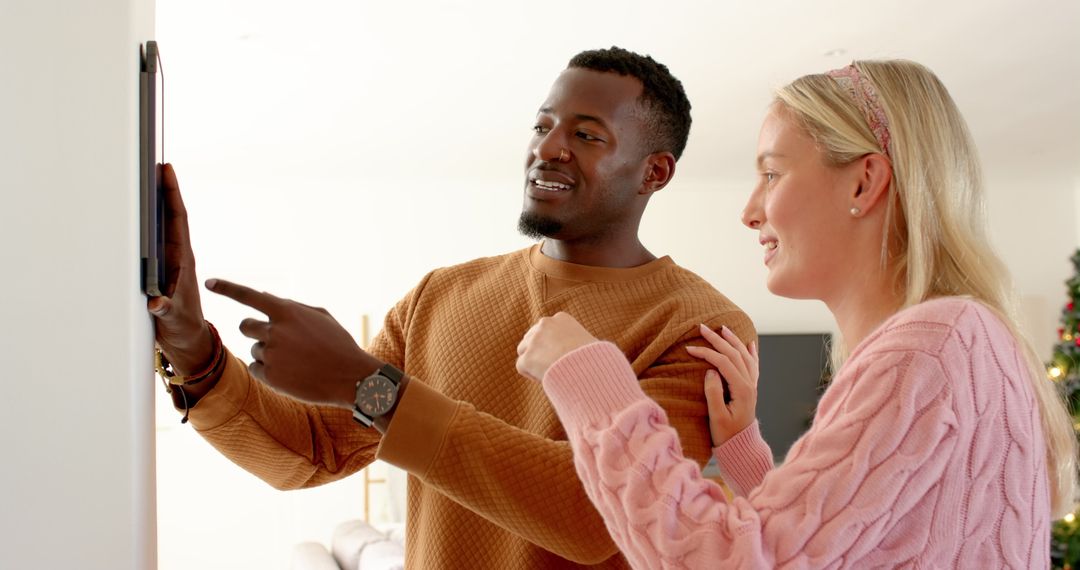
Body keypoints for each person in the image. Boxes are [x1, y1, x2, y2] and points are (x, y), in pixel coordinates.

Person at [148, 47, 756, 568]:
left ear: (655, 172)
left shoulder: (701, 326)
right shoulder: (437, 296)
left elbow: (597, 517)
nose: (548, 148)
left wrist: (368, 386)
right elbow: (311, 451)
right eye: (542, 125)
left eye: (586, 135)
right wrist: (194, 349)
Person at [516, 59, 1078, 568]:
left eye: (771, 174)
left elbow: (731, 561)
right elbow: (847, 545)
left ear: (864, 182)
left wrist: (590, 381)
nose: (749, 211)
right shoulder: (963, 340)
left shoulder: (929, 348)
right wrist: (745, 452)